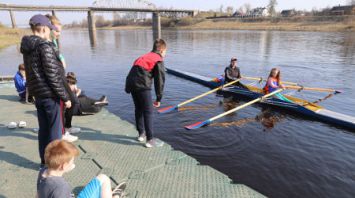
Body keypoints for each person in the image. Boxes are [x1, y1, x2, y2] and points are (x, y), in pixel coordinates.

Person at [20, 14, 71, 167]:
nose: (50, 31)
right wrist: (65, 97)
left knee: (43, 130)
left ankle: (44, 161)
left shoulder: (27, 47)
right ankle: (56, 164)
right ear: (43, 28)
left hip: (39, 96)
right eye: (49, 28)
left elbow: (32, 73)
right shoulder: (44, 46)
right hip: (50, 96)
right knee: (55, 132)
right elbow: (52, 76)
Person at [37, 140, 126, 198]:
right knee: (104, 178)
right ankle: (114, 196)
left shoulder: (43, 171)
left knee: (102, 179)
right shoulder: (61, 187)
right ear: (63, 166)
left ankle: (110, 194)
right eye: (72, 162)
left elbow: (37, 195)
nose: (73, 164)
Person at [125, 39, 166, 148]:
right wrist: (158, 98)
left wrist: (127, 88)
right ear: (161, 50)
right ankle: (150, 139)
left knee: (138, 109)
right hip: (143, 86)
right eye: (165, 52)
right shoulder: (158, 59)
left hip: (131, 84)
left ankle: (141, 134)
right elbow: (160, 80)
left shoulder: (142, 57)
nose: (165, 54)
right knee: (148, 112)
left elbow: (131, 73)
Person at [46, 14, 79, 142]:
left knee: (72, 102)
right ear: (48, 29)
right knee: (63, 107)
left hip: (60, 79)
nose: (59, 34)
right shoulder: (47, 44)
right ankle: (62, 133)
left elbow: (59, 56)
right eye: (57, 31)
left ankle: (66, 128)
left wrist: (62, 60)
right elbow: (52, 72)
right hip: (57, 83)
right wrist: (64, 95)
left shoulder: (53, 42)